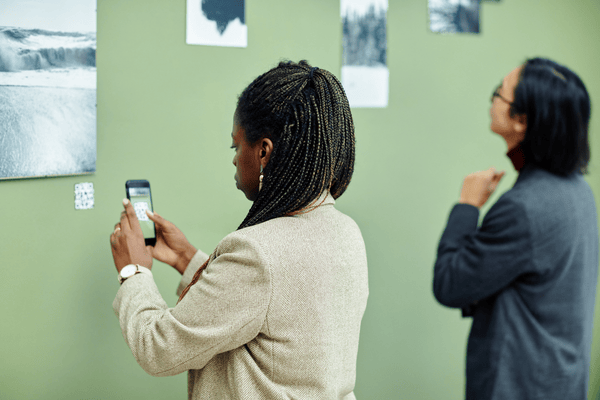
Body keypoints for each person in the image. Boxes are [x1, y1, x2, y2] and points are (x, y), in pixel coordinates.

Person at [109, 60, 368, 399]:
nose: (234, 158)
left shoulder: (257, 254)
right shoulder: (346, 232)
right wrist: (186, 258)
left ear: (263, 152)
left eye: (237, 145)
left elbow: (159, 349)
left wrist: (134, 271)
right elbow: (270, 305)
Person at [433, 57, 598, 400]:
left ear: (521, 120)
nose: (492, 100)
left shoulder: (523, 208)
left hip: (519, 386)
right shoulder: (579, 191)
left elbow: (449, 284)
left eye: (499, 94)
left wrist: (467, 205)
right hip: (562, 382)